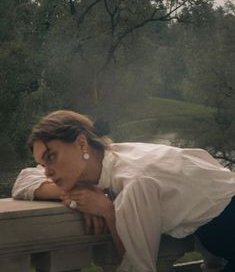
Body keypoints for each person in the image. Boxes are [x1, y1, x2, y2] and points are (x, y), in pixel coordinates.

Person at [12, 110, 235, 272]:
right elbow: (24, 180)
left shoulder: (133, 181)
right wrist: (75, 190)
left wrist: (107, 210)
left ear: (81, 144)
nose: (47, 172)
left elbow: (139, 266)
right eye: (42, 164)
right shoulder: (110, 157)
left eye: (52, 157)